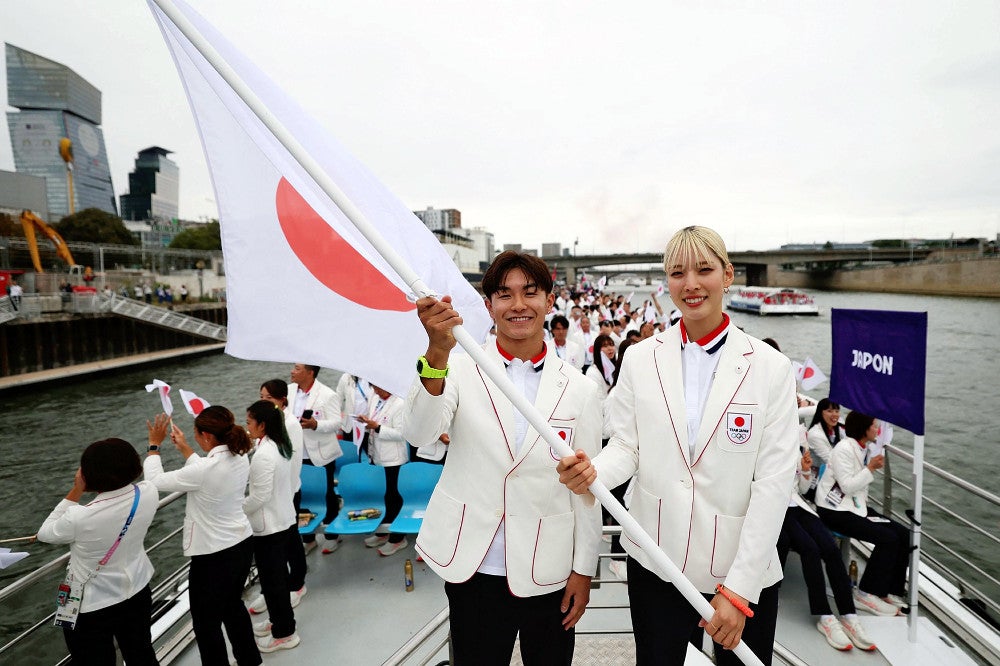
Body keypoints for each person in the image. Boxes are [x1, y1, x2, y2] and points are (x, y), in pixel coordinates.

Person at [558, 226, 799, 666]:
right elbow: (626, 447)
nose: (690, 284)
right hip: (657, 561)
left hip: (741, 570)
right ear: (666, 282)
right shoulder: (640, 357)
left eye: (704, 270)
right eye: (677, 273)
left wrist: (739, 590)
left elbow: (774, 483)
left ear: (727, 276)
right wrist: (594, 473)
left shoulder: (772, 368)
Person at [403, 250, 603, 666]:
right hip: (473, 565)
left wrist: (583, 571)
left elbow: (589, 492)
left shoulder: (581, 389)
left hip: (548, 568)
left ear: (550, 301)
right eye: (504, 294)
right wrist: (436, 353)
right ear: (488, 304)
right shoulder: (456, 368)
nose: (518, 305)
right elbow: (419, 434)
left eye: (530, 293)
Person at [144, 408, 261, 666]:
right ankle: (250, 660)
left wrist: (154, 445)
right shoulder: (239, 456)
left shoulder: (207, 468)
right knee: (232, 606)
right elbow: (205, 469)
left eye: (197, 434)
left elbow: (154, 480)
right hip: (241, 544)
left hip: (213, 554)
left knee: (206, 622)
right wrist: (186, 449)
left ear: (206, 436)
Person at [37, 438, 159, 665]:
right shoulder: (148, 492)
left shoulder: (79, 516)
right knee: (141, 653)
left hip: (88, 604)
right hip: (137, 589)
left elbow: (45, 533)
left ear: (89, 475)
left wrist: (76, 489)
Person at [777, 446, 877, 651]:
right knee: (810, 549)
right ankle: (825, 616)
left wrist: (805, 471)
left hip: (798, 505)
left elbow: (803, 489)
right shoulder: (767, 439)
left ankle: (849, 615)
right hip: (776, 506)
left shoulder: (796, 443)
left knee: (830, 547)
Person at [815, 410, 909, 617]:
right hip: (834, 510)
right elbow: (847, 486)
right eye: (875, 426)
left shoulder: (862, 447)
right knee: (888, 539)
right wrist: (871, 469)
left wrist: (869, 467)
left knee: (903, 534)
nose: (878, 429)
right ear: (864, 429)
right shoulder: (843, 449)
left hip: (855, 506)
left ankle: (888, 590)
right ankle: (866, 592)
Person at [243, 400, 300, 652]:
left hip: (269, 527)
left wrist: (237, 509)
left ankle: (285, 633)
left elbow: (259, 497)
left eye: (248, 422)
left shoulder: (264, 455)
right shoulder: (280, 445)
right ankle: (279, 621)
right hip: (283, 518)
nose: (247, 427)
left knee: (273, 582)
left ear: (262, 425)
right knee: (277, 579)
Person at [247, 380, 307, 616]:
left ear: (282, 399)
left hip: (287, 491)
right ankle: (271, 592)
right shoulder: (269, 424)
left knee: (290, 541)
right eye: (261, 396)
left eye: (268, 398)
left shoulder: (290, 424)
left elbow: (293, 461)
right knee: (277, 551)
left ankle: (297, 583)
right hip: (277, 493)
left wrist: (287, 492)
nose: (264, 401)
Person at [288, 364, 344, 554]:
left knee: (327, 493)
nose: (292, 372)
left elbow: (337, 423)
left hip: (321, 453)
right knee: (300, 494)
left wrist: (315, 424)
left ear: (310, 373)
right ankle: (308, 537)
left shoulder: (327, 395)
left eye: (297, 368)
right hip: (296, 453)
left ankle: (331, 535)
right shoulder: (288, 392)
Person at [356, 385, 409, 556]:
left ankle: (398, 539)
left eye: (378, 388)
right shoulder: (375, 398)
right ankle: (383, 532)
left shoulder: (400, 403)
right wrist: (367, 423)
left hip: (393, 459)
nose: (375, 391)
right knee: (382, 497)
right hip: (376, 456)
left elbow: (402, 434)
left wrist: (377, 427)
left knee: (393, 497)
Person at [805, 398, 845, 465]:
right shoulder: (814, 434)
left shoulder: (840, 427)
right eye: (829, 411)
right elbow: (830, 460)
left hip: (838, 467)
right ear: (820, 413)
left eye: (837, 411)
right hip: (818, 473)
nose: (834, 414)